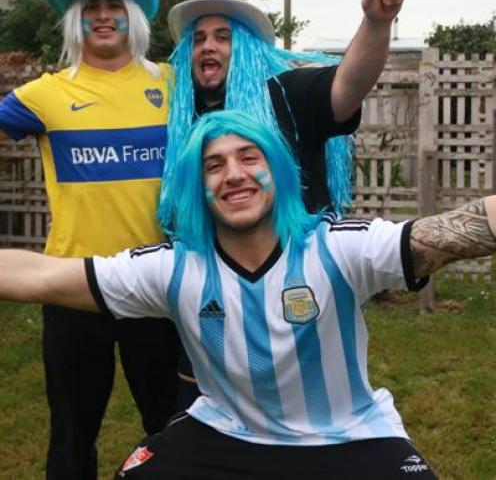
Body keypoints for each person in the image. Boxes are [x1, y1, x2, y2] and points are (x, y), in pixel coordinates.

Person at [1, 111, 494, 479]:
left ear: (277, 172)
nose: (233, 174)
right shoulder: (173, 268)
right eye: (213, 166)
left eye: (249, 158)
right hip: (227, 432)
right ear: (199, 187)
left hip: (350, 435)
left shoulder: (341, 247)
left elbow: (463, 229)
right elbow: (43, 276)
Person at [161, 0, 406, 400]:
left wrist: (376, 24)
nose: (208, 46)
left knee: (305, 412)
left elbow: (347, 85)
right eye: (199, 39)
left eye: (223, 36)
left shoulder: (287, 94)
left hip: (296, 294)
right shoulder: (179, 118)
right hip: (212, 296)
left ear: (249, 49)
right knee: (206, 411)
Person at [0, 0, 179, 479]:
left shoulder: (172, 87)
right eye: (91, 7)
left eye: (114, 5)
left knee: (171, 424)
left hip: (156, 282)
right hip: (72, 286)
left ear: (134, 17)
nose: (103, 16)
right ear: (75, 20)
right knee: (73, 432)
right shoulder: (45, 95)